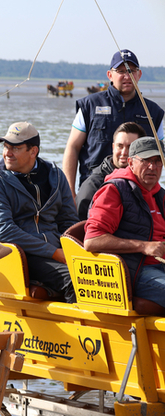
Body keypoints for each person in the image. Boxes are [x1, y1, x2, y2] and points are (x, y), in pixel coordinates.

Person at [0, 122, 78, 302]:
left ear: (33, 151)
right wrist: (53, 252)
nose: (7, 153)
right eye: (5, 147)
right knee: (77, 280)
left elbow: (69, 221)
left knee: (104, 276)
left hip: (58, 248)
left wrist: (74, 251)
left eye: (15, 148)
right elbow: (3, 231)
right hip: (21, 255)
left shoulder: (56, 175)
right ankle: (80, 329)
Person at [62, 50, 164, 197]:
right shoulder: (90, 105)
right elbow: (72, 147)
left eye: (131, 71)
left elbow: (159, 156)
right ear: (110, 75)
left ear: (139, 75)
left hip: (138, 194)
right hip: (94, 190)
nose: (127, 76)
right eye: (121, 71)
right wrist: (69, 193)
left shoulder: (153, 112)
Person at [84, 137, 165, 309]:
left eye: (158, 161)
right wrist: (143, 246)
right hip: (133, 271)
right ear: (130, 162)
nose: (152, 167)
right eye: (146, 161)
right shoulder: (114, 190)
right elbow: (92, 241)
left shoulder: (160, 194)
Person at [76, 122, 146, 220]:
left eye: (130, 147)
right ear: (113, 147)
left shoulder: (147, 182)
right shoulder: (93, 186)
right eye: (120, 146)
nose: (124, 152)